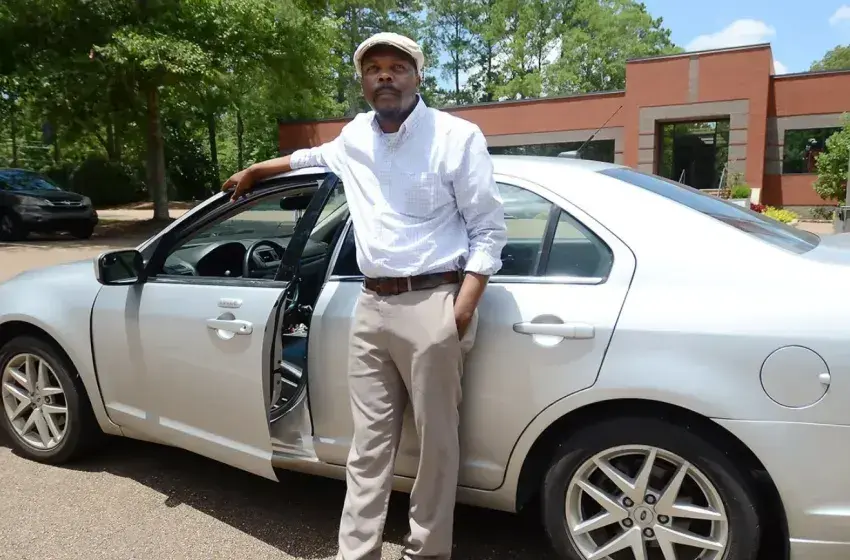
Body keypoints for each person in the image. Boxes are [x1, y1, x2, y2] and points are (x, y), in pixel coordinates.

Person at [221, 32, 507, 560]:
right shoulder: (355, 136)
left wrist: (459, 311)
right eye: (373, 69)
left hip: (433, 301)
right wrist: (259, 169)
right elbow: (308, 158)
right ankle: (357, 552)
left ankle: (427, 552)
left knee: (436, 445)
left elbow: (488, 232)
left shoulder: (456, 136)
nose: (385, 76)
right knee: (368, 445)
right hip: (370, 304)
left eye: (397, 67)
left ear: (417, 76)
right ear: (363, 82)